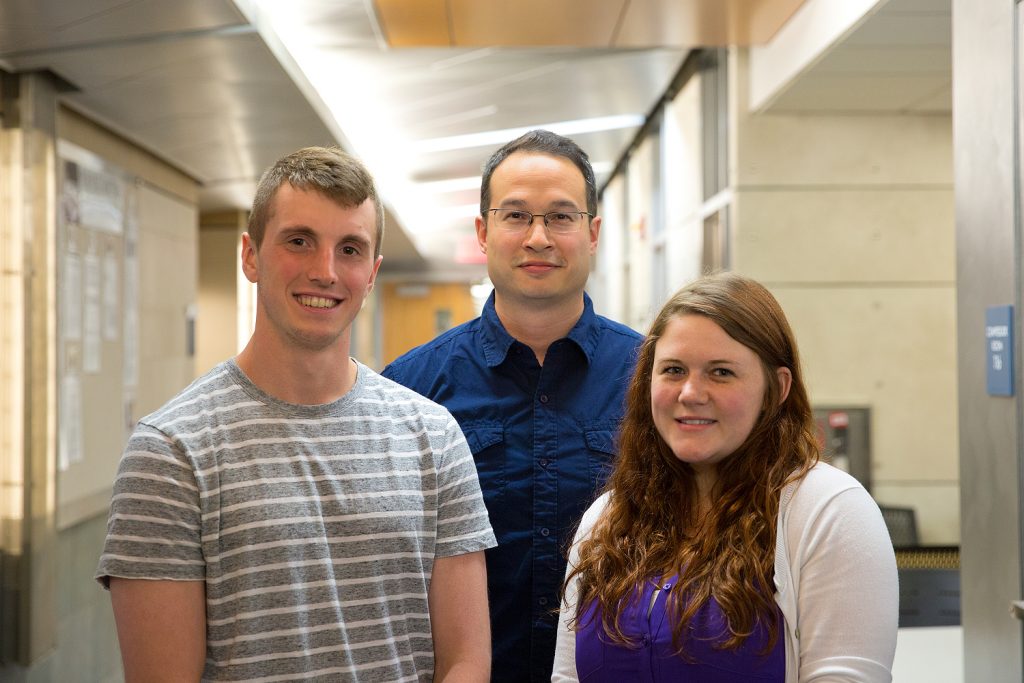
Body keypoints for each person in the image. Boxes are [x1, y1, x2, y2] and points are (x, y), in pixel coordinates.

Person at [95, 146, 496, 682]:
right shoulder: (170, 452)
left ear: (372, 272)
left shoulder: (434, 437)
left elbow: (466, 662)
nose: (324, 271)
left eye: (349, 249)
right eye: (299, 241)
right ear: (250, 255)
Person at [382, 130, 643, 682]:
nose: (539, 238)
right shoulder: (409, 390)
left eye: (561, 217)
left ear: (593, 232)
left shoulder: (653, 381)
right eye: (517, 216)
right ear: (483, 231)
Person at [552, 273, 899, 682]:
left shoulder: (828, 510)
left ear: (777, 388)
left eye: (720, 372)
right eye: (673, 370)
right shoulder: (606, 518)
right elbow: (568, 676)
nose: (690, 393)